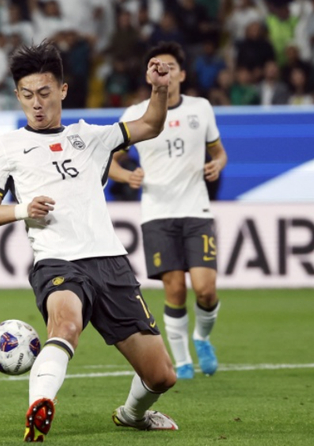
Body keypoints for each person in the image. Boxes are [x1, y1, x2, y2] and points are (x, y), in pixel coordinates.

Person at [0, 41, 178, 442]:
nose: (37, 104)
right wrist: (23, 209)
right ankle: (39, 407)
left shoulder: (91, 137)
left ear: (63, 90)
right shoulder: (7, 146)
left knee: (161, 376)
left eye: (45, 93)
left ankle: (132, 414)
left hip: (111, 263)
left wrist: (158, 89)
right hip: (57, 262)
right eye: (27, 95)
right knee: (65, 324)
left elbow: (151, 125)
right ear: (17, 95)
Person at [109, 41, 228, 381]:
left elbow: (219, 152)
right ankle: (183, 360)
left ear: (182, 74)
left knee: (205, 289)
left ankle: (201, 337)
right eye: (156, 66)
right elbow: (109, 161)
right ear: (149, 75)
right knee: (174, 288)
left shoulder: (200, 108)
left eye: (171, 66)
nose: (164, 71)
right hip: (157, 212)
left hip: (196, 209)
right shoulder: (135, 114)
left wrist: (217, 164)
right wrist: (126, 176)